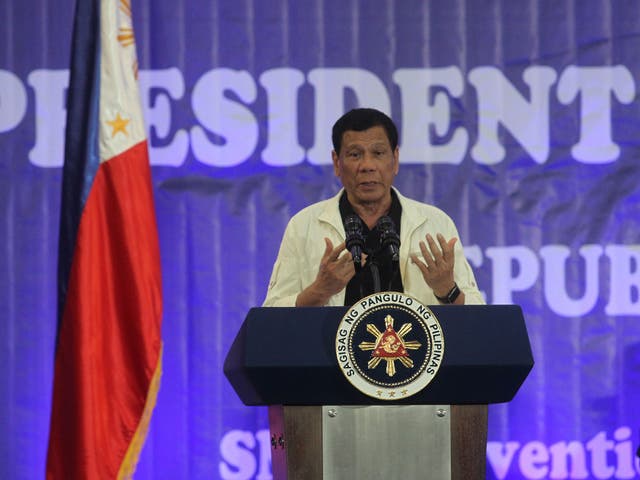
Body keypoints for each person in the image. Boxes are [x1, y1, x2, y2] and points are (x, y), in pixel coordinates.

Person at [263, 108, 484, 307]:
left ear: (395, 159)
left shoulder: (435, 223)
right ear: (336, 162)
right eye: (354, 155)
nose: (367, 166)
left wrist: (447, 290)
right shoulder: (304, 225)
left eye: (378, 153)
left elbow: (478, 315)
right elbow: (272, 314)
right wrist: (320, 291)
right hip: (329, 351)